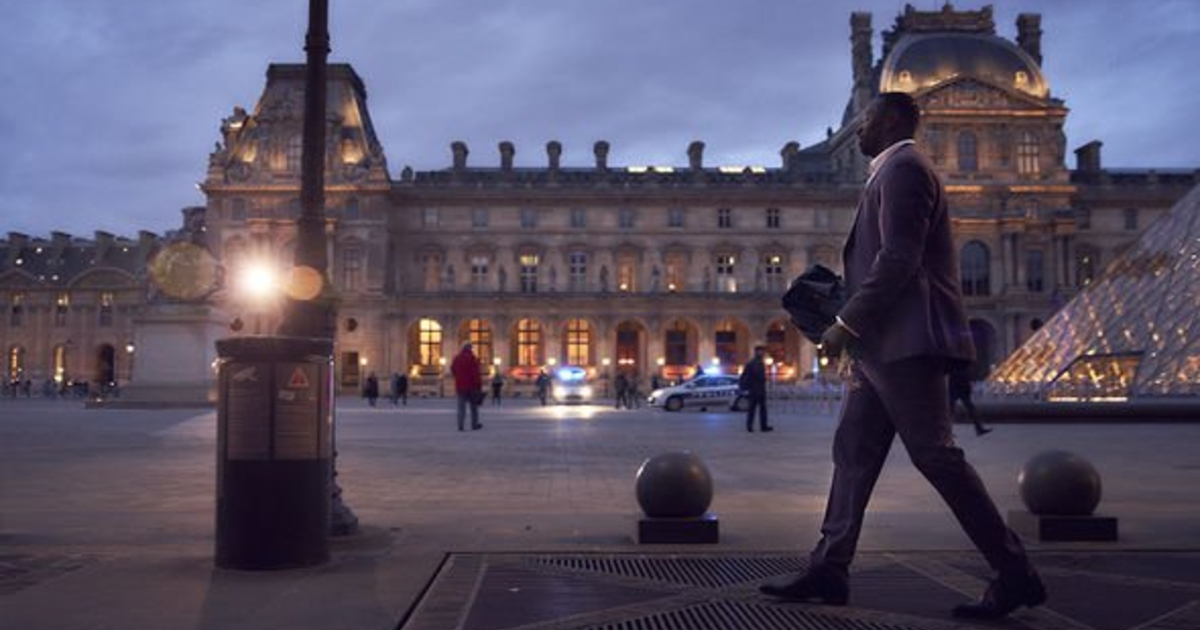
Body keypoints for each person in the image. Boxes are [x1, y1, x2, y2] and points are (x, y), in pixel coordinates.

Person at [759, 93, 1044, 620]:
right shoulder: (891, 172)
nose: (857, 130)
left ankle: (1015, 573)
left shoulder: (906, 168)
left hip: (906, 345)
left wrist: (847, 323)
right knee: (853, 452)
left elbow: (900, 258)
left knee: (937, 457)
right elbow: (888, 261)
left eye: (864, 120)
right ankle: (830, 566)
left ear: (889, 121)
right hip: (884, 347)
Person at [950, 361, 991, 436]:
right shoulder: (963, 362)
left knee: (951, 410)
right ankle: (979, 428)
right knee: (970, 409)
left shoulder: (955, 361)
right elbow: (968, 374)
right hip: (960, 387)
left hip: (956, 386)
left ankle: (979, 428)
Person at [739, 346, 773, 432]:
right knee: (752, 409)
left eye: (763, 352)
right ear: (756, 352)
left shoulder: (760, 363)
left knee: (762, 409)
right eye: (761, 352)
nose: (762, 354)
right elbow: (745, 376)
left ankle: (763, 426)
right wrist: (745, 387)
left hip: (760, 389)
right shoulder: (752, 363)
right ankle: (750, 426)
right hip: (754, 389)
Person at [451, 343, 483, 431]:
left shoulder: (457, 358)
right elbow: (476, 374)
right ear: (470, 349)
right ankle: (474, 424)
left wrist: (458, 378)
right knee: (474, 407)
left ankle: (460, 424)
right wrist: (479, 385)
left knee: (461, 407)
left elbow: (453, 369)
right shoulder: (473, 359)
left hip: (460, 386)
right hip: (472, 386)